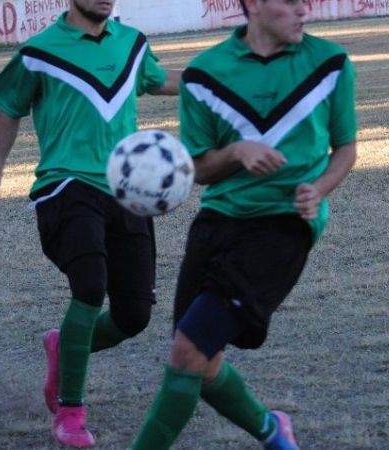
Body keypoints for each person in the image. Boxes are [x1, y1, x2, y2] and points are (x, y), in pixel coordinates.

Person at [130, 0, 358, 448]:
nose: (304, 9)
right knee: (202, 358)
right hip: (218, 221)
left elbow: (345, 150)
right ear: (253, 5)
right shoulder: (205, 74)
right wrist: (236, 152)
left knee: (187, 352)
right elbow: (199, 170)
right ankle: (272, 431)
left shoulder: (330, 63)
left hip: (284, 225)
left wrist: (321, 188)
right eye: (291, 2)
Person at [0, 0, 181, 447]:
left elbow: (161, 81)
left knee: (134, 317)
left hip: (126, 191)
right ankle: (70, 409)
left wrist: (222, 83)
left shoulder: (133, 44)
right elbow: (9, 107)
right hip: (65, 185)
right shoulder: (39, 51)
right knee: (89, 285)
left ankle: (64, 347)